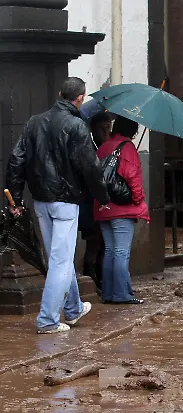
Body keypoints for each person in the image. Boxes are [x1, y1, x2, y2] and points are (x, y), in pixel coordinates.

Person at [6, 76, 110, 334]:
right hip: (65, 201)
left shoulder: (34, 122)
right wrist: (103, 197)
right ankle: (48, 319)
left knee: (59, 258)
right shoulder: (76, 125)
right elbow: (90, 166)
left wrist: (16, 199)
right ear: (80, 98)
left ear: (61, 93)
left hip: (40, 200)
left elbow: (16, 160)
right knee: (61, 261)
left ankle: (73, 309)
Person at [93, 116, 149, 305]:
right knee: (121, 252)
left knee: (110, 250)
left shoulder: (103, 147)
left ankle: (108, 293)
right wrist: (138, 199)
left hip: (102, 207)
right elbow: (132, 177)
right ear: (132, 131)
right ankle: (122, 294)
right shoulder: (127, 147)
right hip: (121, 209)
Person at [79, 111, 112, 291]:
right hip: (89, 205)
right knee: (94, 243)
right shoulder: (88, 148)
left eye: (108, 129)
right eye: (102, 129)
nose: (106, 133)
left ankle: (99, 279)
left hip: (102, 204)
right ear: (93, 129)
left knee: (104, 244)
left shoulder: (108, 148)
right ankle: (90, 280)